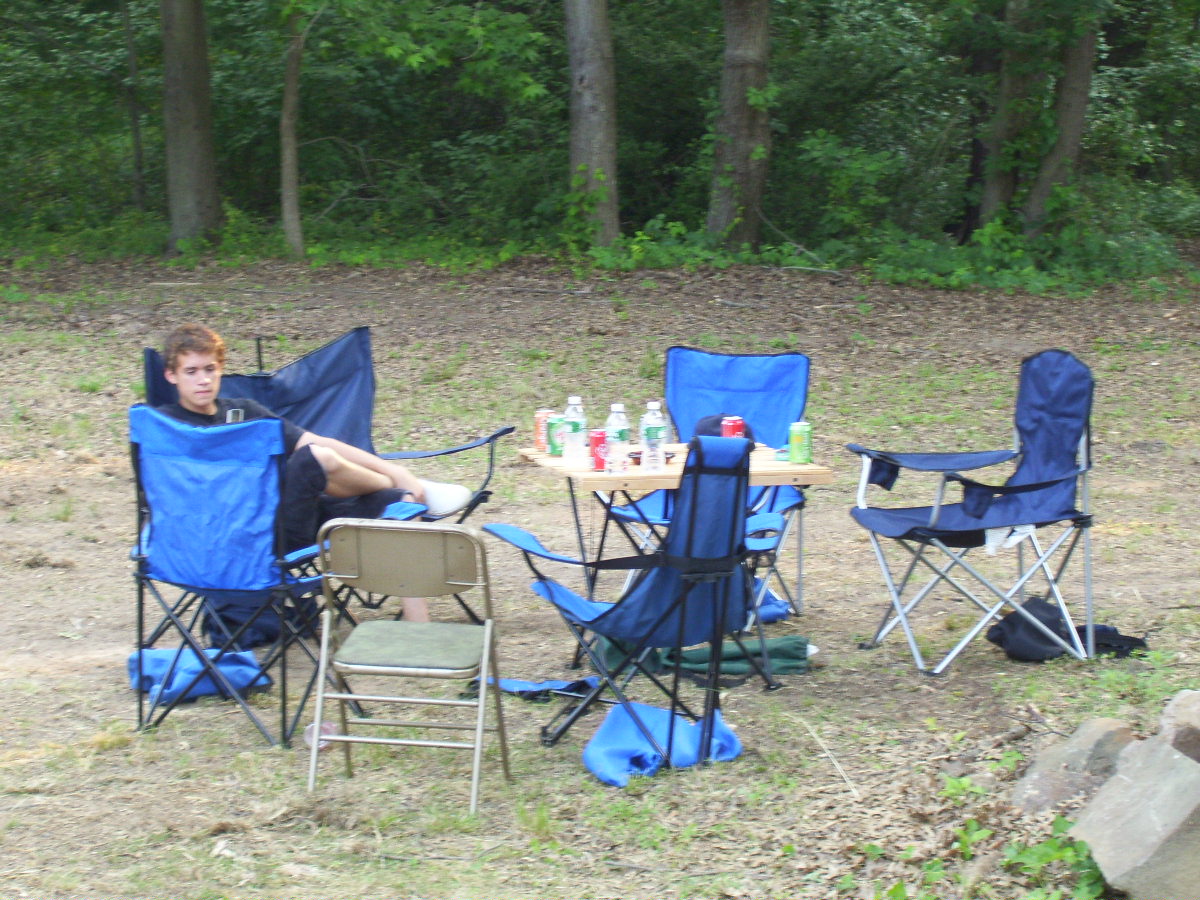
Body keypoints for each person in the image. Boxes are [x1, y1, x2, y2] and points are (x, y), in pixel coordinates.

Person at [157, 323, 471, 621]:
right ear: (171, 375)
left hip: (293, 520)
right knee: (314, 458)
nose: (203, 380)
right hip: (245, 537)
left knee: (399, 501)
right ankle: (400, 483)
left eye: (210, 369)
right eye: (191, 371)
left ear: (220, 369)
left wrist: (394, 468)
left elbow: (317, 439)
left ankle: (420, 629)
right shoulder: (164, 428)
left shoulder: (243, 412)